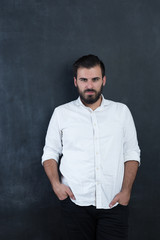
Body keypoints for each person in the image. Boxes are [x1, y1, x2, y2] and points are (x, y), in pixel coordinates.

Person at [41, 54, 141, 240]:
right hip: (75, 203)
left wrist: (126, 190)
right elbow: (50, 152)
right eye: (83, 80)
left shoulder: (121, 112)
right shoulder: (62, 113)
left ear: (103, 80)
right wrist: (56, 185)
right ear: (75, 81)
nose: (89, 85)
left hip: (114, 203)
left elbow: (132, 153)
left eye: (95, 79)